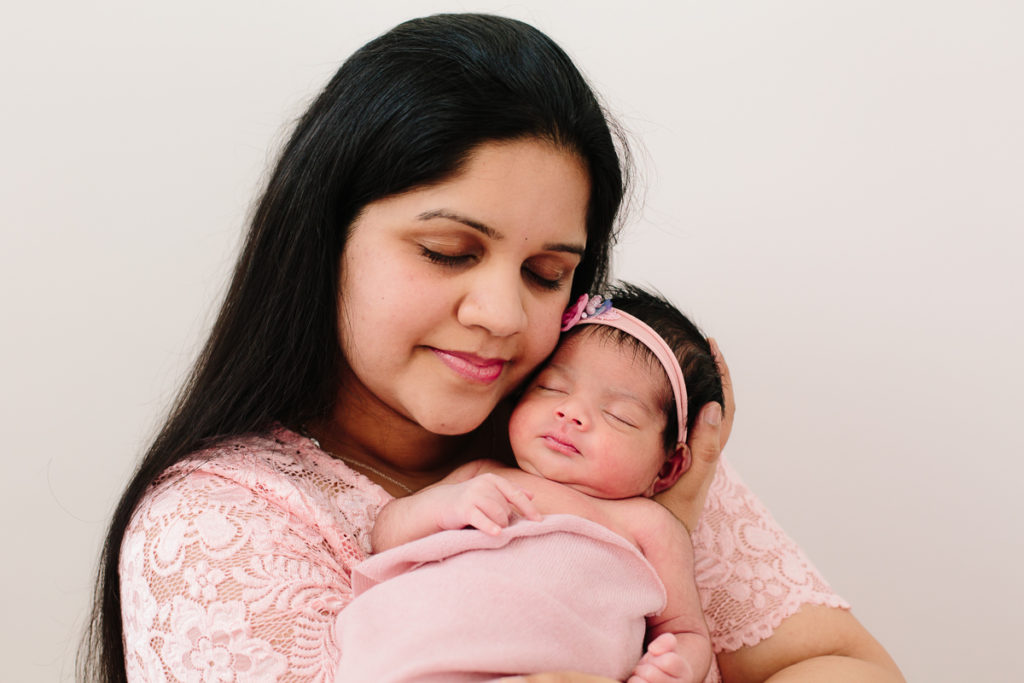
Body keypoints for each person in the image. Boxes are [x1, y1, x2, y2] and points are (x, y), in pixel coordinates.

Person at [79, 12, 904, 683]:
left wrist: (670, 524)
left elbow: (851, 667)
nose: (503, 313)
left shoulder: (600, 438)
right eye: (448, 251)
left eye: (548, 273)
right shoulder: (218, 525)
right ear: (323, 239)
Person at [335, 286, 719, 682]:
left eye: (619, 415)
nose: (570, 413)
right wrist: (445, 505)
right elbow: (387, 534)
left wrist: (676, 669)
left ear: (669, 467)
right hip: (417, 657)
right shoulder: (484, 476)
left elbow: (686, 631)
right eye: (551, 388)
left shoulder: (650, 523)